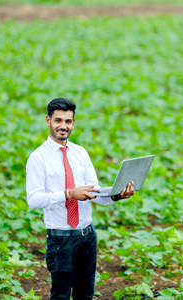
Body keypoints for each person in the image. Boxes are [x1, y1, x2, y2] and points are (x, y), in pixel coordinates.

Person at [26, 98, 134, 300]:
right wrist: (68, 194)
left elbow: (94, 192)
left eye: (68, 121)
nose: (63, 126)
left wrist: (118, 194)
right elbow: (33, 200)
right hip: (61, 239)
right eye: (58, 121)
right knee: (61, 294)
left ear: (73, 123)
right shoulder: (38, 157)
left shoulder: (80, 153)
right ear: (48, 121)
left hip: (87, 236)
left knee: (85, 294)